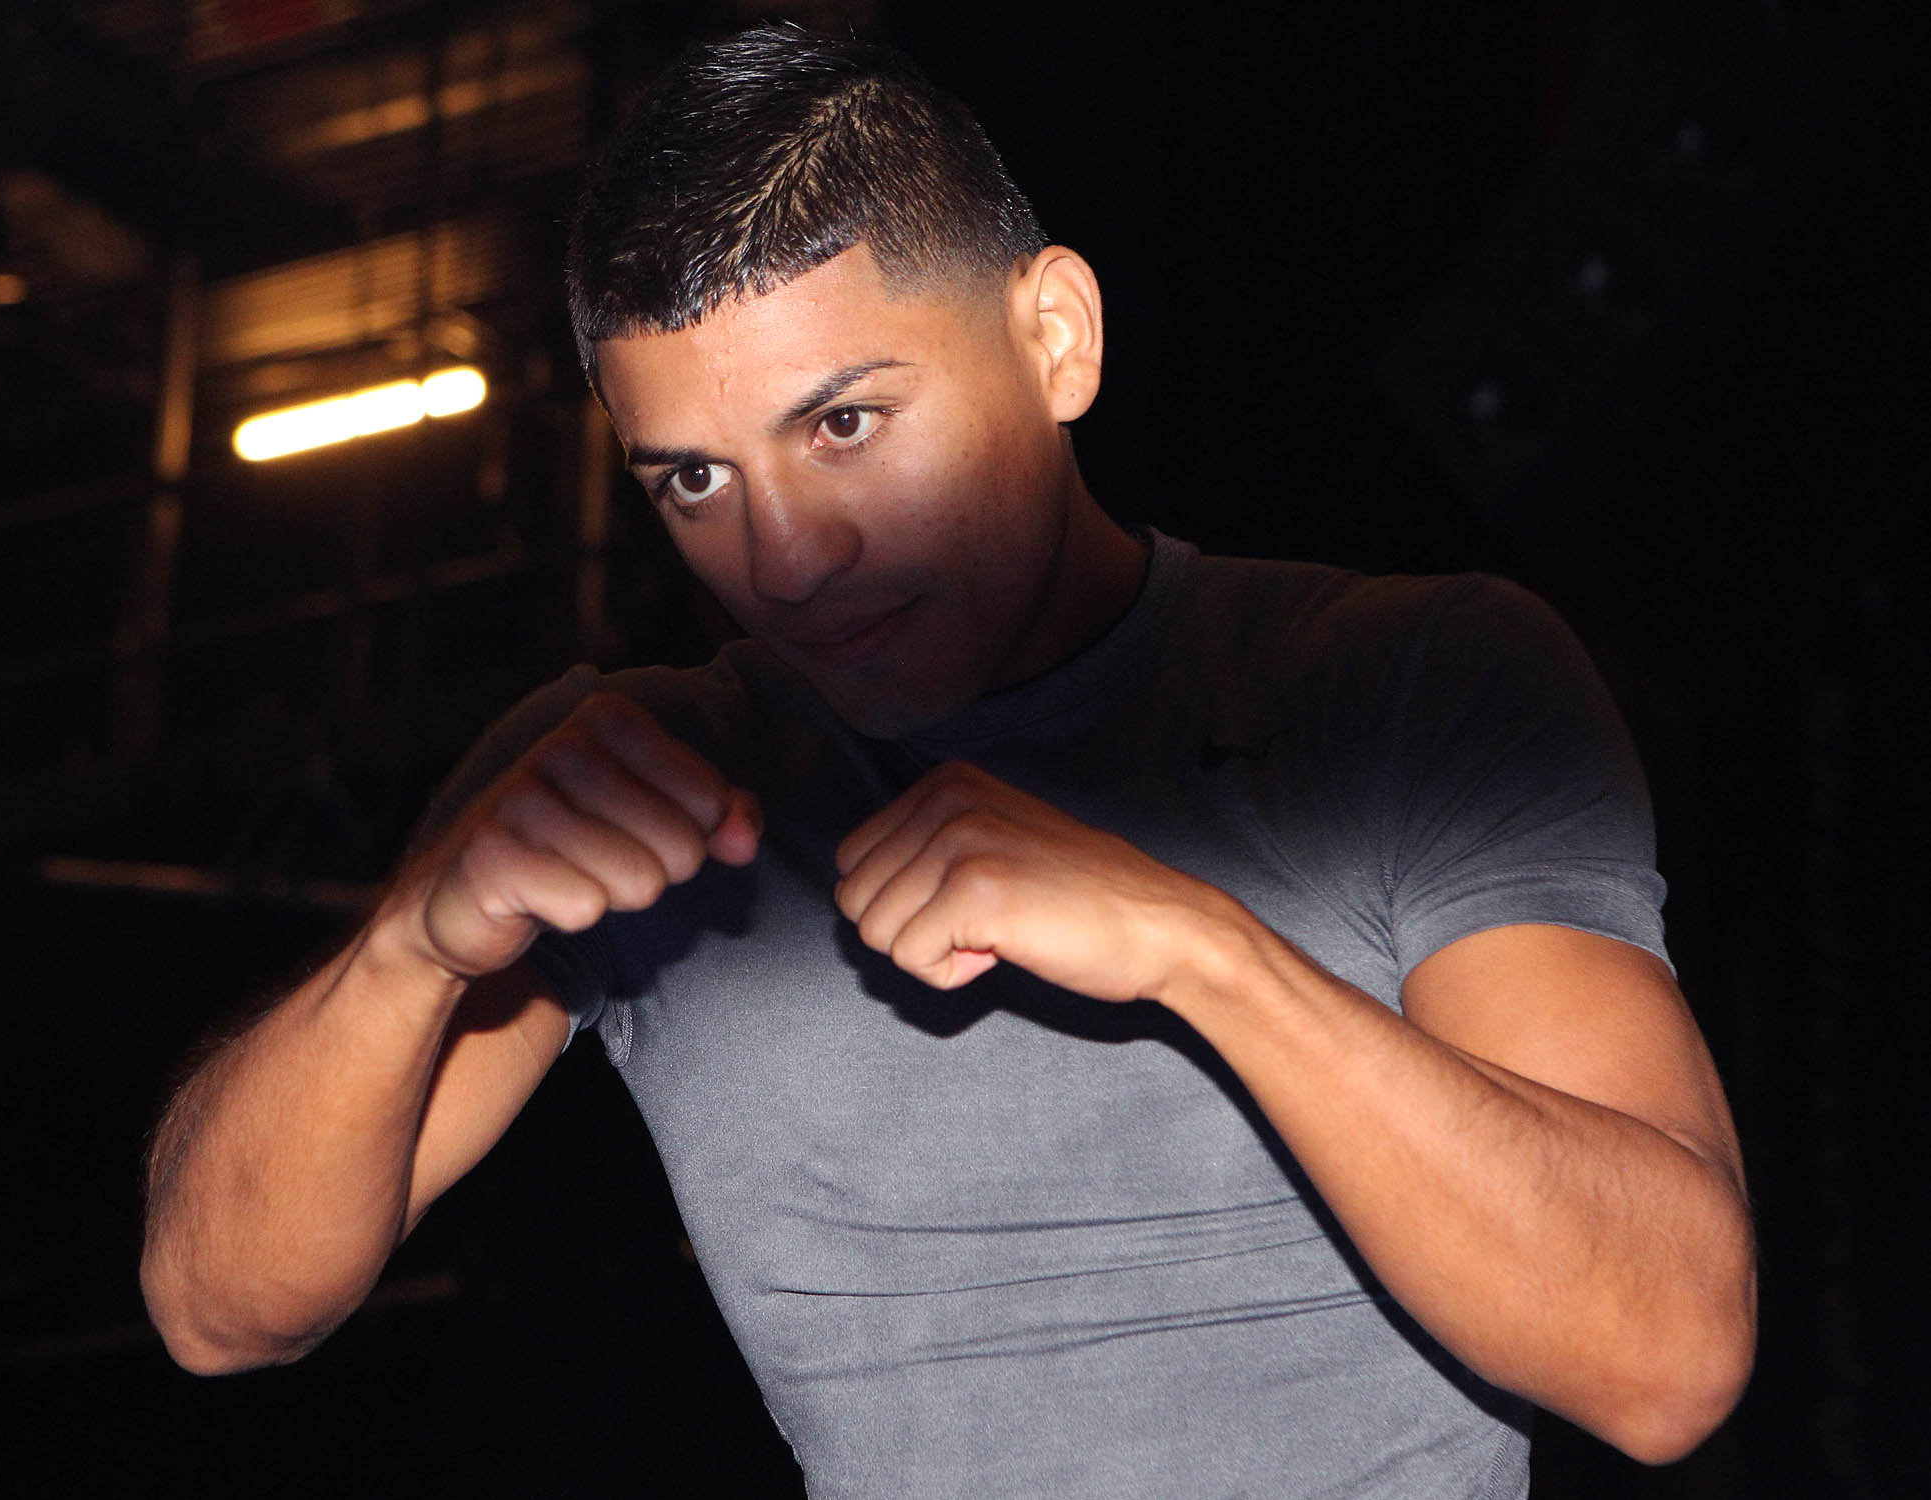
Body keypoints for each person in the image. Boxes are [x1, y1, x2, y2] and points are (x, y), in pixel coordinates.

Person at [141, 25, 1755, 1497]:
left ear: (1054, 337)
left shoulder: (1406, 683)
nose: (783, 559)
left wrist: (1200, 952)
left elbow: (1665, 1360)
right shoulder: (643, 778)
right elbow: (220, 1313)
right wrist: (406, 952)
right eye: (693, 480)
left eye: (842, 425)